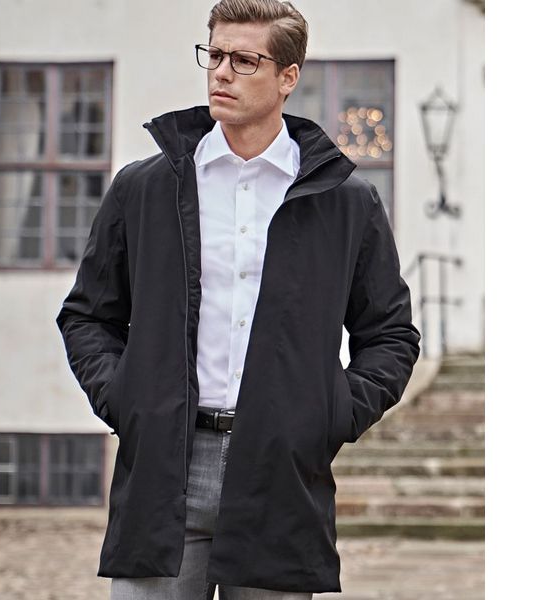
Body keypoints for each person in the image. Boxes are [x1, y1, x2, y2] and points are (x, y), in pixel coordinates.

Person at [56, 0, 421, 598]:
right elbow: (88, 315)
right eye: (215, 55)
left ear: (287, 77)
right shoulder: (145, 187)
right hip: (165, 468)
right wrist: (127, 399)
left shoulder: (344, 201)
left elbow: (390, 334)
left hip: (281, 472)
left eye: (244, 60)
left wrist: (329, 413)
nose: (221, 72)